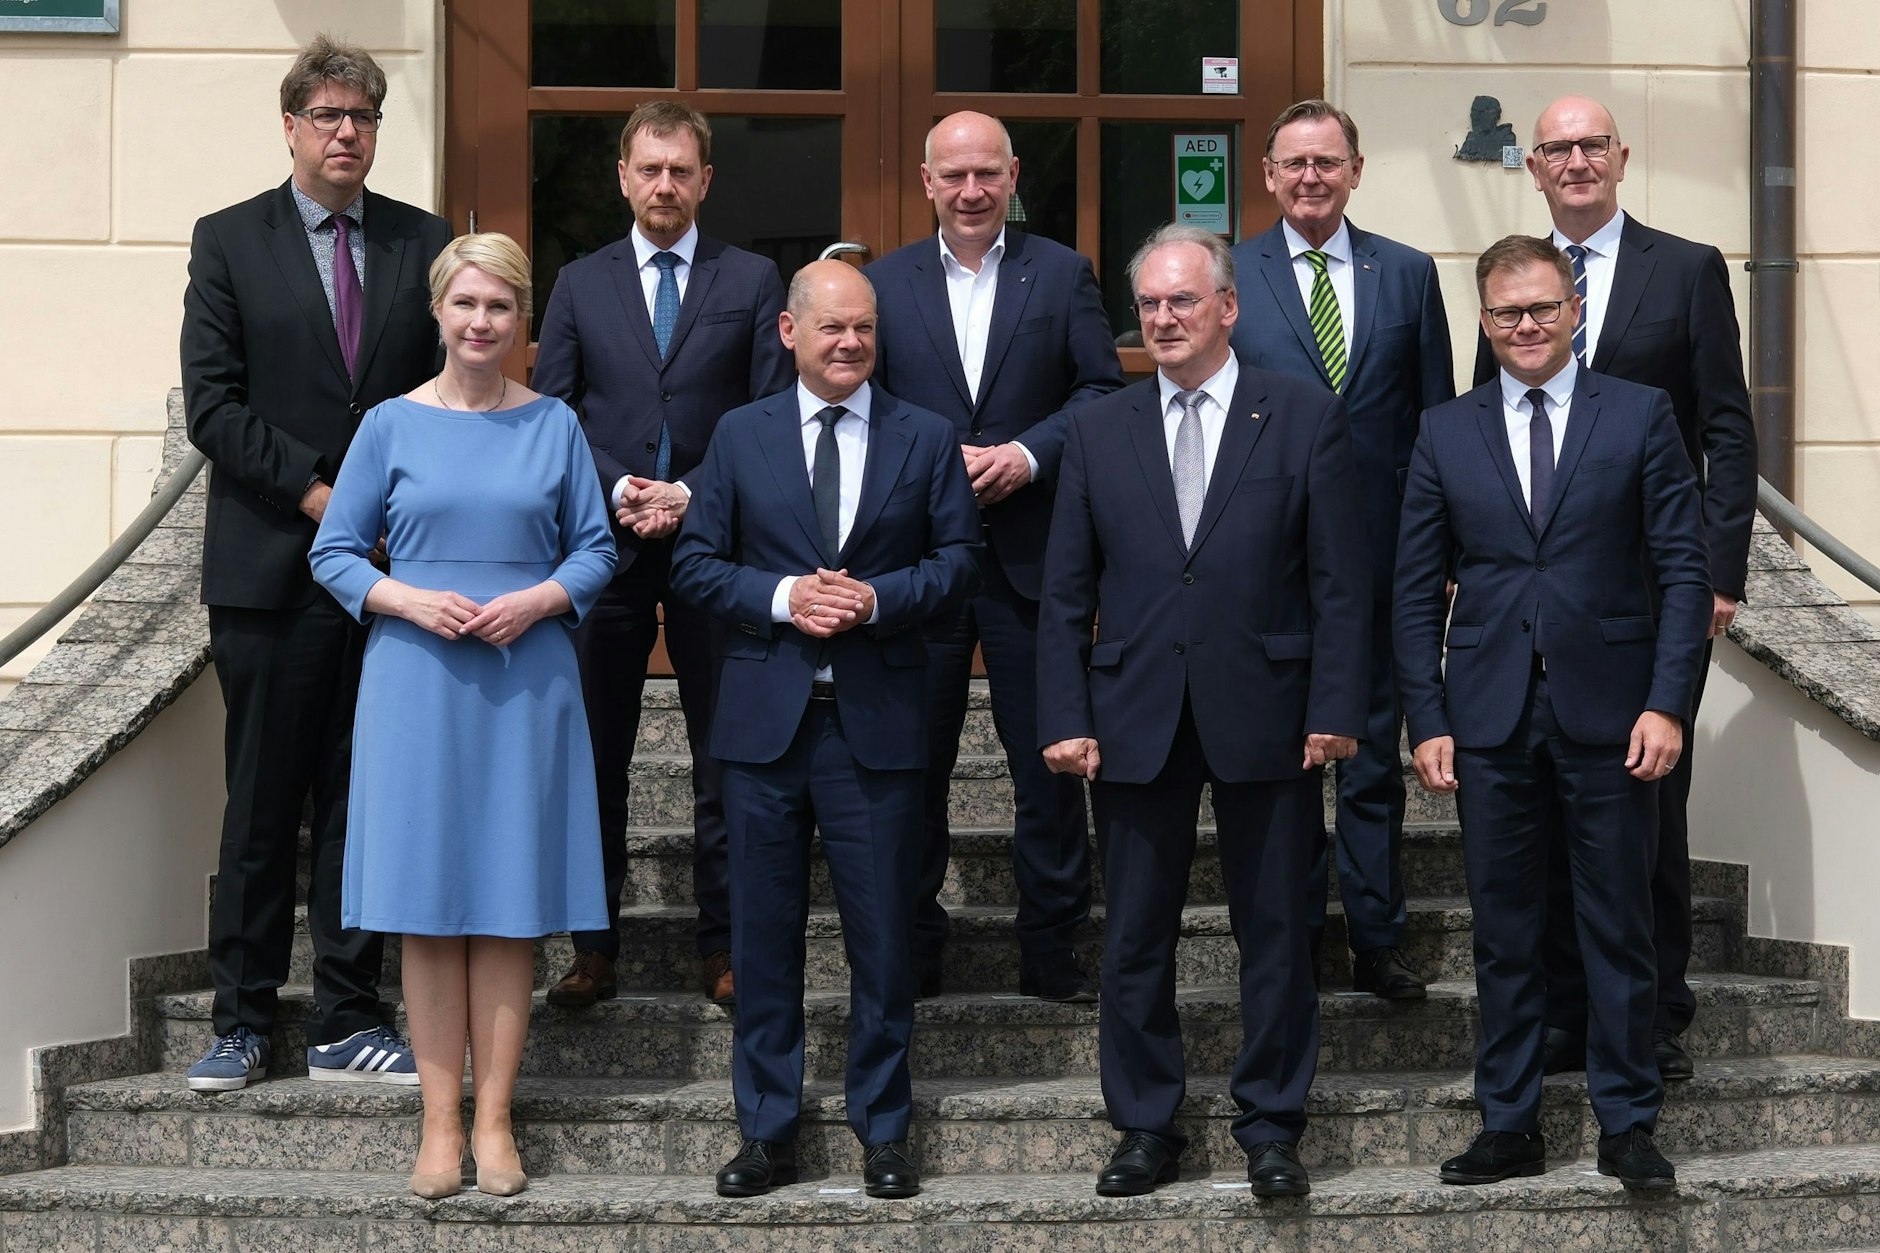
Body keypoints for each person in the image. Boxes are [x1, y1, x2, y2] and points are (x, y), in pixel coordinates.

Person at [1037, 225, 1370, 1198]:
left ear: (1226, 307)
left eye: (1180, 300)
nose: (1162, 318)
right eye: (1146, 304)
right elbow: (1062, 592)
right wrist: (1064, 710)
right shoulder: (1099, 429)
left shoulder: (1302, 414)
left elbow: (1339, 583)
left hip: (1267, 707)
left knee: (1275, 927)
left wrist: (1336, 702)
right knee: (1135, 931)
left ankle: (1270, 1121)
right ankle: (1143, 1123)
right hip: (1133, 711)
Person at [309, 232, 617, 1199]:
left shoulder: (555, 424)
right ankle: (437, 1123)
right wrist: (407, 599)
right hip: (417, 680)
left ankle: (495, 1122)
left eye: (500, 308)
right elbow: (337, 552)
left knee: (510, 906)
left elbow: (597, 549)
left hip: (526, 679)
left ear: (520, 319)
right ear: (439, 313)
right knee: (431, 911)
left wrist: (538, 600)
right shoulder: (389, 425)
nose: (482, 323)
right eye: (466, 305)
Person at [1400, 234, 1710, 1192]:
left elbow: (1683, 570)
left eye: (1541, 308)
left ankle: (1627, 1122)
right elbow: (1412, 591)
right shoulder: (1445, 431)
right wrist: (1427, 716)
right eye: (1506, 313)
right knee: (1504, 927)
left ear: (1573, 309)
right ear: (1485, 323)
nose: (1525, 326)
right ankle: (1510, 1122)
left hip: (1613, 715)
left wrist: (1668, 703)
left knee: (1617, 922)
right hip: (1487, 719)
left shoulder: (1642, 415)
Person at [669, 260, 981, 1200]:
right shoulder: (739, 434)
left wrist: (878, 598)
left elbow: (960, 560)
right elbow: (694, 562)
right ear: (789, 333)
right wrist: (781, 597)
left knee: (883, 939)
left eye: (865, 329)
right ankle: (766, 1128)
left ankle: (883, 1126)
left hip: (877, 725)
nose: (850, 343)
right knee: (763, 940)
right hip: (765, 728)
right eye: (832, 327)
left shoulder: (925, 436)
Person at [180, 34, 450, 1093]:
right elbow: (212, 401)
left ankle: (346, 1012)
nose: (347, 133)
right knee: (261, 801)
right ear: (290, 125)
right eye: (329, 116)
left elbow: (442, 398)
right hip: (271, 566)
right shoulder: (228, 241)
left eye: (364, 117)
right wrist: (319, 494)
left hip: (388, 576)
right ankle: (241, 1019)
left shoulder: (422, 241)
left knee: (360, 797)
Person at [1474, 95, 1758, 1081]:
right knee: (1545, 819)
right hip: (1535, 610)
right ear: (1535, 167)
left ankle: (1655, 1015)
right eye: (1557, 148)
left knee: (1649, 813)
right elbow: (1485, 429)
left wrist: (1718, 573)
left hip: (1648, 594)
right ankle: (1560, 1013)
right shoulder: (1512, 280)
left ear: (1620, 156)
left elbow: (1723, 427)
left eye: (1592, 143)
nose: (1577, 160)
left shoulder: (1682, 268)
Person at [534, 100, 794, 1011]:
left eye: (681, 170)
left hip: (714, 545)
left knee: (723, 751)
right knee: (594, 750)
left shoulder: (754, 279)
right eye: (649, 169)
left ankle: (722, 945)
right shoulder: (578, 282)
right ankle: (592, 947)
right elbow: (554, 412)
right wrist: (620, 490)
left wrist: (692, 491)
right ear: (622, 175)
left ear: (706, 180)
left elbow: (769, 413)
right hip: (603, 547)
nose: (664, 185)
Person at [865, 110, 1124, 1002]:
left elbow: (1099, 387)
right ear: (926, 182)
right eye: (954, 175)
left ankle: (1055, 952)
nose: (971, 191)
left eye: (988, 174)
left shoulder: (1062, 274)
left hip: (1032, 561)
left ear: (1013, 176)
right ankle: (912, 951)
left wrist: (1027, 454)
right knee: (908, 764)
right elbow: (863, 405)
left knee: (1048, 767)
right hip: (917, 563)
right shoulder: (884, 284)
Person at [1229, 98, 1455, 1001]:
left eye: (1329, 162)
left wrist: (1444, 549)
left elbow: (1437, 424)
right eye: (1295, 163)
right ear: (1269, 176)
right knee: (1280, 762)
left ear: (1356, 170)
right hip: (1265, 560)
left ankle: (1374, 936)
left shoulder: (1406, 274)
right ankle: (1291, 937)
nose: (1311, 177)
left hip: (1381, 557)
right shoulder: (1229, 274)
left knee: (1368, 758)